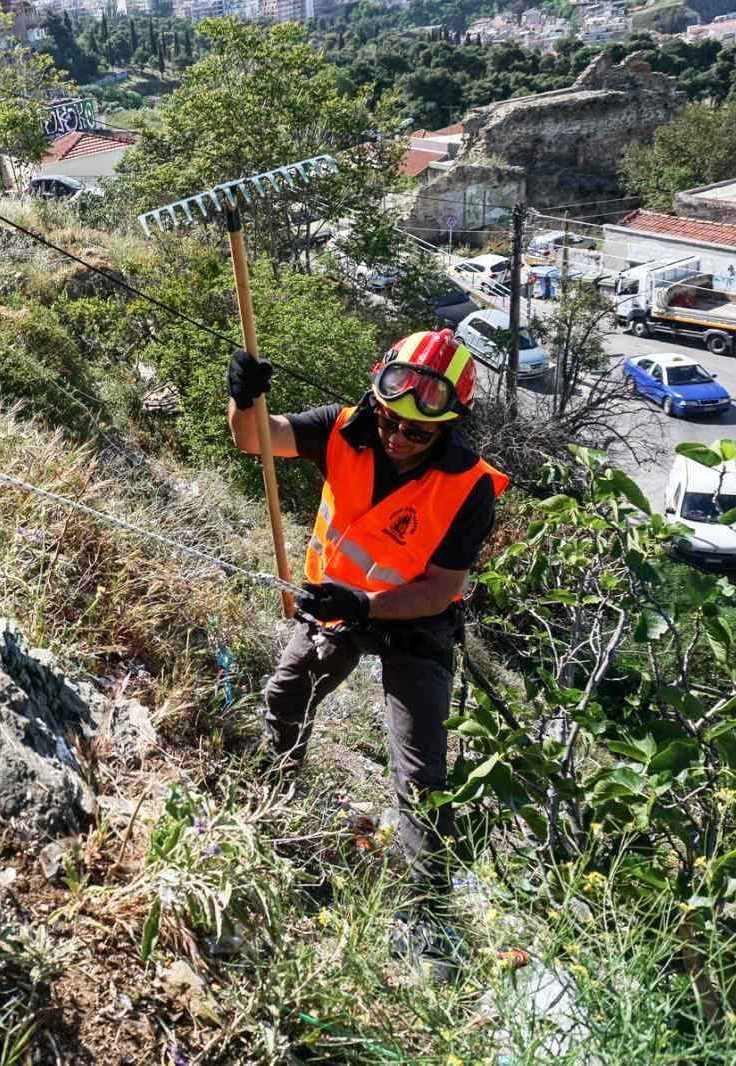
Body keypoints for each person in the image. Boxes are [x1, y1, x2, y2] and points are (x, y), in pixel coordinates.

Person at [227, 330, 508, 980]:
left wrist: (368, 606)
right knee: (286, 693)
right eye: (391, 420)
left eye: (418, 430)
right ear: (375, 400)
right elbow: (253, 437)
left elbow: (440, 588)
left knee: (420, 774)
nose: (399, 437)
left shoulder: (469, 489)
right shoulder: (341, 430)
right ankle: (275, 793)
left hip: (415, 623)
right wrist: (241, 398)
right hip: (336, 605)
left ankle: (424, 915)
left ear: (448, 425)